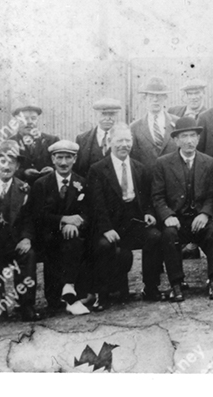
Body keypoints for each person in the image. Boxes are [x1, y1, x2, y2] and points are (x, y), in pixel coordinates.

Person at [87, 124, 164, 308]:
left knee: (154, 237)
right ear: (109, 142)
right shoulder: (97, 169)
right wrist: (106, 228)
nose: (124, 145)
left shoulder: (139, 168)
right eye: (119, 140)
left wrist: (148, 213)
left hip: (133, 223)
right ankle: (103, 294)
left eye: (128, 140)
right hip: (110, 224)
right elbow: (97, 205)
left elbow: (147, 198)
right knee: (105, 246)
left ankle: (151, 287)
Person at [152, 118, 213, 301]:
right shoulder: (163, 163)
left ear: (198, 139)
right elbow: (157, 196)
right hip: (177, 219)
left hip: (199, 218)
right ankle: (176, 283)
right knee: (169, 234)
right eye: (184, 136)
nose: (189, 141)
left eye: (193, 136)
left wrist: (205, 214)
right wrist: (167, 216)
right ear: (176, 140)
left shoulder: (209, 162)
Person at [0, 142, 38, 322]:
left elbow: (29, 219)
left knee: (29, 254)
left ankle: (26, 306)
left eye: (11, 162)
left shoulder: (23, 188)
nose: (6, 166)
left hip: (12, 246)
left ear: (17, 166)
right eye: (2, 161)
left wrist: (26, 238)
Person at [27, 139, 89, 315]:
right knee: (56, 244)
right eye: (59, 157)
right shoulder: (41, 184)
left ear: (75, 159)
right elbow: (38, 216)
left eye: (68, 158)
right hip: (49, 235)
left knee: (74, 242)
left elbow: (88, 213)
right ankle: (61, 294)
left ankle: (69, 290)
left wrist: (76, 223)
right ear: (52, 159)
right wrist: (64, 220)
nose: (63, 162)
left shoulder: (81, 183)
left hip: (74, 235)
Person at [129, 79, 178, 171]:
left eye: (159, 95)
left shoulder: (177, 122)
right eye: (151, 95)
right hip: (147, 180)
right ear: (144, 98)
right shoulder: (134, 127)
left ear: (165, 97)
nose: (155, 100)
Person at [75, 97, 123, 177]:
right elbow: (77, 169)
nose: (107, 118)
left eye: (111, 114)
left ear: (117, 115)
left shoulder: (124, 139)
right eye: (103, 114)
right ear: (95, 115)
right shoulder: (82, 139)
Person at [12, 104, 59, 185]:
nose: (29, 122)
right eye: (25, 118)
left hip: (46, 190)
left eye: (33, 118)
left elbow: (62, 163)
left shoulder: (52, 140)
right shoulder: (10, 143)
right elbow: (3, 169)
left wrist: (52, 170)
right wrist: (23, 173)